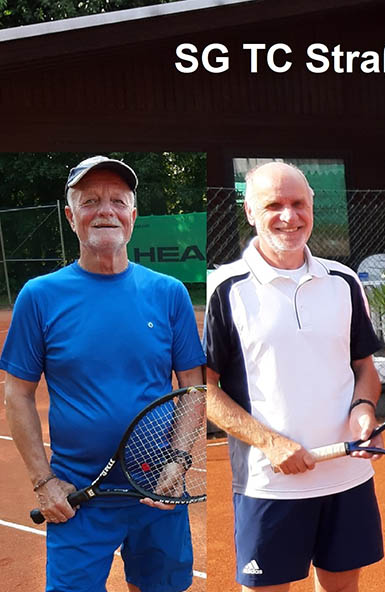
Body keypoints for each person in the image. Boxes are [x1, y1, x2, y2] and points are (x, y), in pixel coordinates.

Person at [1, 155, 206, 592]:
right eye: (90, 200)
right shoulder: (39, 297)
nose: (105, 210)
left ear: (133, 215)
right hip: (76, 496)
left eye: (118, 200)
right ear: (70, 215)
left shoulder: (168, 294)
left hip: (158, 491)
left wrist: (178, 461)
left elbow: (193, 387)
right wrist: (44, 482)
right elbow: (17, 395)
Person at [205, 162, 384, 591]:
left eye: (298, 203)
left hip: (346, 476)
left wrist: (363, 409)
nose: (289, 216)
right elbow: (204, 390)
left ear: (312, 207)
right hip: (269, 484)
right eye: (274, 205)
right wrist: (270, 442)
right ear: (249, 211)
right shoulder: (225, 287)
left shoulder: (342, 280)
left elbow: (364, 368)